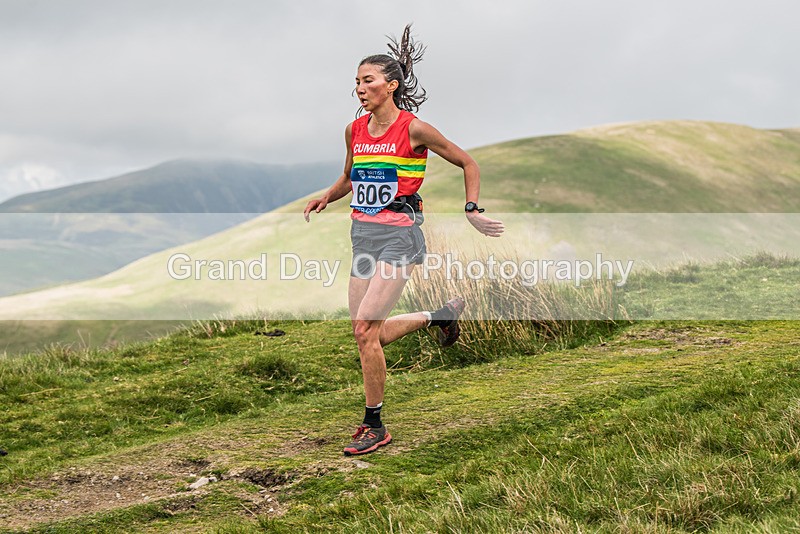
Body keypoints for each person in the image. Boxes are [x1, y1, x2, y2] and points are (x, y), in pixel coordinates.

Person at [303, 24, 504, 456]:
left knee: (364, 329)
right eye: (356, 81)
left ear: (390, 85)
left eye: (368, 80)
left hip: (402, 237)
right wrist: (327, 197)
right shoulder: (354, 131)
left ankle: (374, 424)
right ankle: (440, 316)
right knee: (365, 333)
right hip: (363, 235)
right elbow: (348, 176)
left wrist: (472, 209)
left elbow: (467, 162)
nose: (359, 88)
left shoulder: (415, 129)